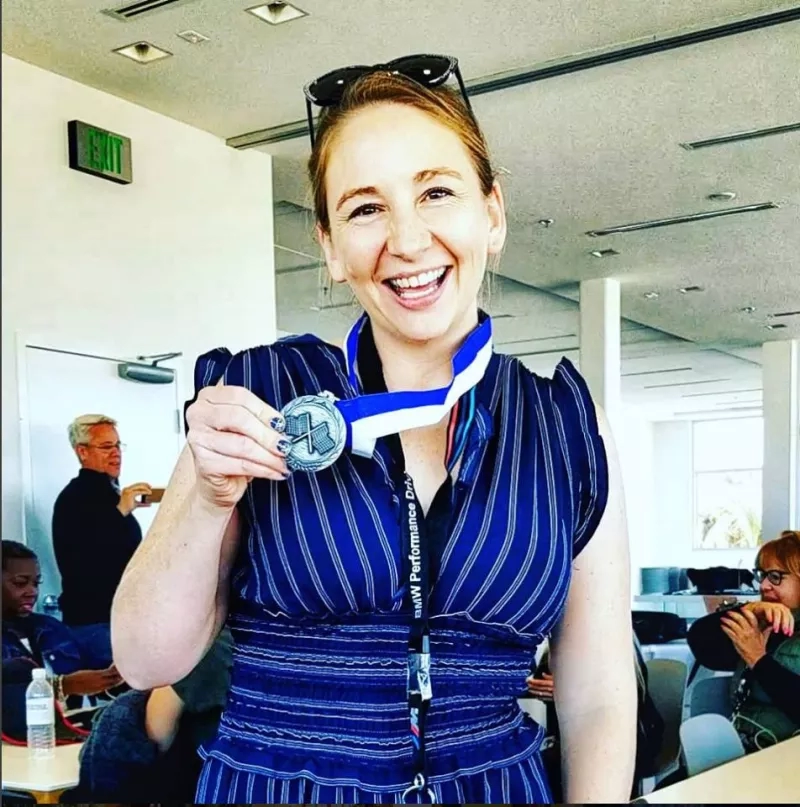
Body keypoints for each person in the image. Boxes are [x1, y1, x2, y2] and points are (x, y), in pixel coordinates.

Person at [112, 55, 636, 804]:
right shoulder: (257, 397)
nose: (409, 238)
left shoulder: (567, 427)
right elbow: (143, 657)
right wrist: (206, 496)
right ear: (328, 245)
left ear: (492, 213)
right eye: (365, 208)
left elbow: (598, 688)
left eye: (436, 192)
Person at [52, 414, 152, 667]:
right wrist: (120, 513)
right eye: (106, 447)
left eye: (118, 446)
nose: (116, 453)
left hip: (117, 620)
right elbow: (87, 560)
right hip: (96, 623)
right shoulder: (75, 498)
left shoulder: (109, 495)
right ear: (82, 452)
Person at [687, 530, 800, 752]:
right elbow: (701, 642)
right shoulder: (762, 621)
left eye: (776, 577)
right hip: (742, 751)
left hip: (784, 762)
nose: (764, 586)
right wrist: (750, 609)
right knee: (670, 786)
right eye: (762, 575)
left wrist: (757, 658)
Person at [2, 541, 123, 739]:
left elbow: (92, 671)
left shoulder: (51, 627)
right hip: (18, 748)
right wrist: (63, 686)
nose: (32, 591)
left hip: (73, 734)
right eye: (20, 583)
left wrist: (112, 678)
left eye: (36, 583)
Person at [525, 633, 664, 798]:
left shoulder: (619, 654)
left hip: (632, 740)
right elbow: (539, 684)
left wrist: (570, 693)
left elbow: (617, 711)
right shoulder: (558, 651)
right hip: (574, 741)